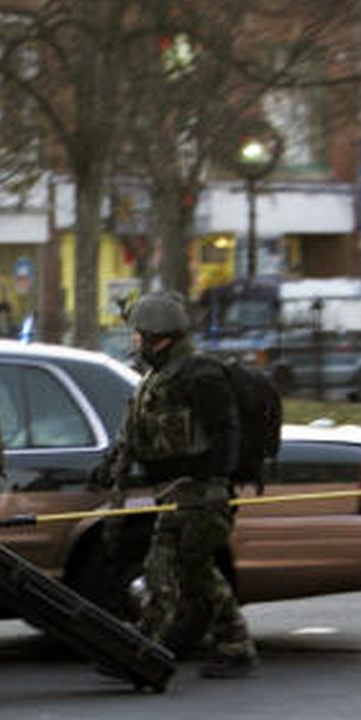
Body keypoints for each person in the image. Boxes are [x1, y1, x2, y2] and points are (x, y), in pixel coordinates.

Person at [115, 290, 257, 679]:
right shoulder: (160, 376)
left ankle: (141, 648)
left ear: (159, 337)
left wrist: (208, 482)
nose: (135, 342)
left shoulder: (200, 375)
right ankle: (235, 645)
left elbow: (225, 431)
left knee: (162, 568)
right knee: (197, 572)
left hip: (199, 496)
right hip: (177, 494)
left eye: (138, 335)